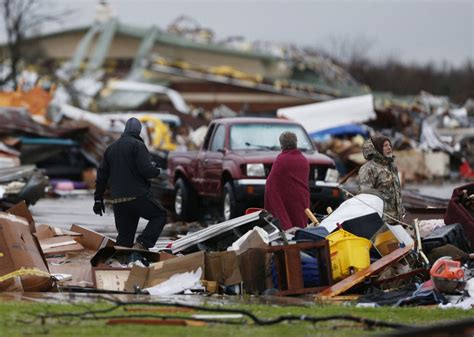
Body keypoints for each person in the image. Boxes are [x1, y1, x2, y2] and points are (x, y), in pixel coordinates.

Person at [93, 117, 167, 250]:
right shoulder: (138, 146)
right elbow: (147, 170)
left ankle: (122, 265)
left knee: (124, 241)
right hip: (138, 197)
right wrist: (157, 170)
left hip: (119, 201)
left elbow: (101, 176)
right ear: (138, 131)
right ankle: (143, 243)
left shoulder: (111, 148)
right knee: (159, 215)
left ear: (125, 129)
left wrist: (98, 199)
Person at [264, 131, 310, 230]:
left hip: (286, 199)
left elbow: (271, 183)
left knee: (288, 225)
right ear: (296, 142)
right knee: (300, 226)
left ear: (281, 144)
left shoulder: (281, 160)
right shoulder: (303, 159)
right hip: (301, 198)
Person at [358, 136, 404, 225]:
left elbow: (397, 192)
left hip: (397, 220)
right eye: (385, 145)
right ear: (377, 149)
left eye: (389, 145)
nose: (389, 147)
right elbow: (365, 196)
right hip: (382, 221)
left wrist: (401, 213)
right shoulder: (368, 169)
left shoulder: (392, 166)